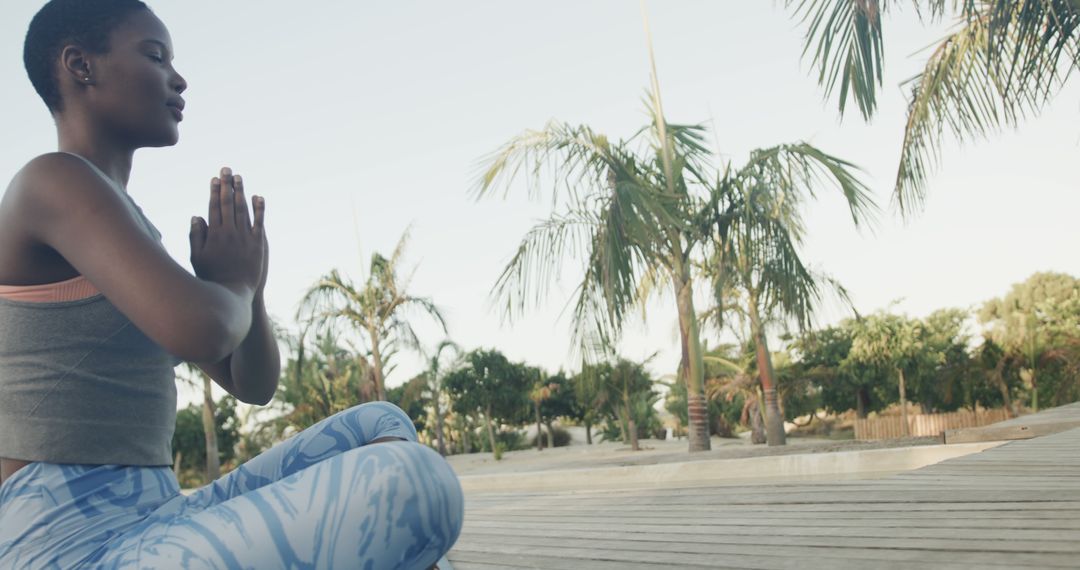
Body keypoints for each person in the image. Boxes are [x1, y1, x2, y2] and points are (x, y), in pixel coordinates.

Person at [0, 1, 463, 568]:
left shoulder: (129, 228)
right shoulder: (53, 181)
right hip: (64, 543)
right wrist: (234, 285)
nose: (179, 78)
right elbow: (205, 329)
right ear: (80, 66)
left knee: (380, 426)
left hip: (154, 516)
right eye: (155, 56)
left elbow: (252, 382)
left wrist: (251, 288)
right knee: (411, 481)